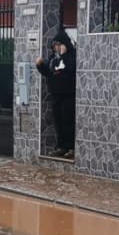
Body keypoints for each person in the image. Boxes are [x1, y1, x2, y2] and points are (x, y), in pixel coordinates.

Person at [35, 31, 78, 159]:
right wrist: (40, 65)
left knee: (67, 121)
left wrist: (65, 54)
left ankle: (71, 147)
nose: (57, 48)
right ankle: (61, 146)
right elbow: (48, 72)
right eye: (55, 46)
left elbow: (71, 68)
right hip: (56, 95)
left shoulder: (71, 57)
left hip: (68, 95)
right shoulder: (54, 59)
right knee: (58, 121)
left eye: (59, 45)